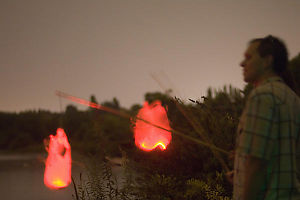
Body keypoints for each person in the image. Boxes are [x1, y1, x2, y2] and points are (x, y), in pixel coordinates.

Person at [233, 35, 300, 199]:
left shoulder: (262, 96)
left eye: (248, 58)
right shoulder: (293, 99)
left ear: (267, 61)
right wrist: (241, 172)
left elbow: (257, 163)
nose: (242, 63)